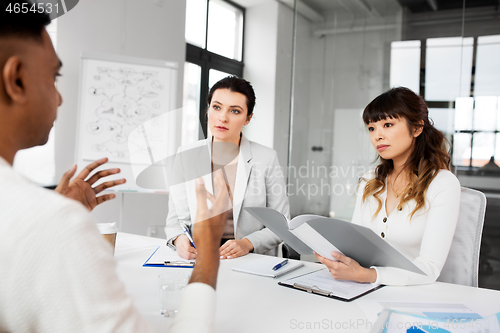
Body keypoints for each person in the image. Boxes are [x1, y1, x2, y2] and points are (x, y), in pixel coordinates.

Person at [0, 2, 226, 331]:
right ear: (16, 80)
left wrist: (55, 210)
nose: (60, 97)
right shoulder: (53, 226)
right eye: (54, 75)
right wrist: (208, 256)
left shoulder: (38, 217)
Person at [315, 87, 461, 286]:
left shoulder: (443, 184)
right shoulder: (370, 180)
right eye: (372, 128)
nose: (377, 136)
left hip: (411, 296)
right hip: (362, 290)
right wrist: (334, 257)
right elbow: (355, 244)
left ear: (417, 128)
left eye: (388, 124)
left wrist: (368, 276)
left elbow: (429, 268)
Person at [166, 76, 290, 260]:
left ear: (248, 118)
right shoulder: (186, 155)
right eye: (217, 107)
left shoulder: (266, 158)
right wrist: (179, 239)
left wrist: (248, 243)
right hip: (200, 257)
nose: (223, 118)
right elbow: (176, 220)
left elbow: (282, 223)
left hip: (249, 258)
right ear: (209, 110)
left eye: (235, 111)